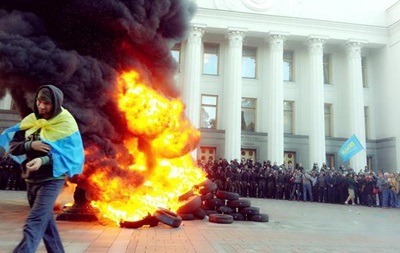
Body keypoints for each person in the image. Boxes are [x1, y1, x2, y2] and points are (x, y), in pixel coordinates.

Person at [0, 85, 84, 253]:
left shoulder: (66, 124)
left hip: (52, 180)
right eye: (39, 101)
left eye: (47, 103)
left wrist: (43, 160)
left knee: (34, 222)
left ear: (56, 103)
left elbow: (70, 155)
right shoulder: (31, 121)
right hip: (31, 180)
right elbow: (14, 147)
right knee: (47, 225)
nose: (42, 106)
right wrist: (30, 144)